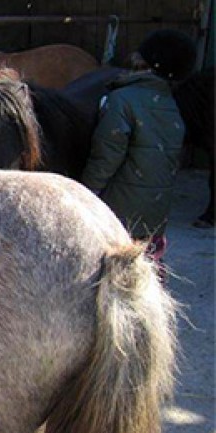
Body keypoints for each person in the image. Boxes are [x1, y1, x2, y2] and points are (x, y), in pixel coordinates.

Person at [81, 29, 197, 274]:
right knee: (145, 269)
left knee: (108, 272)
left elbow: (106, 156)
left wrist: (84, 194)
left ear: (144, 62)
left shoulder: (122, 99)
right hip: (155, 214)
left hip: (119, 212)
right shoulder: (170, 105)